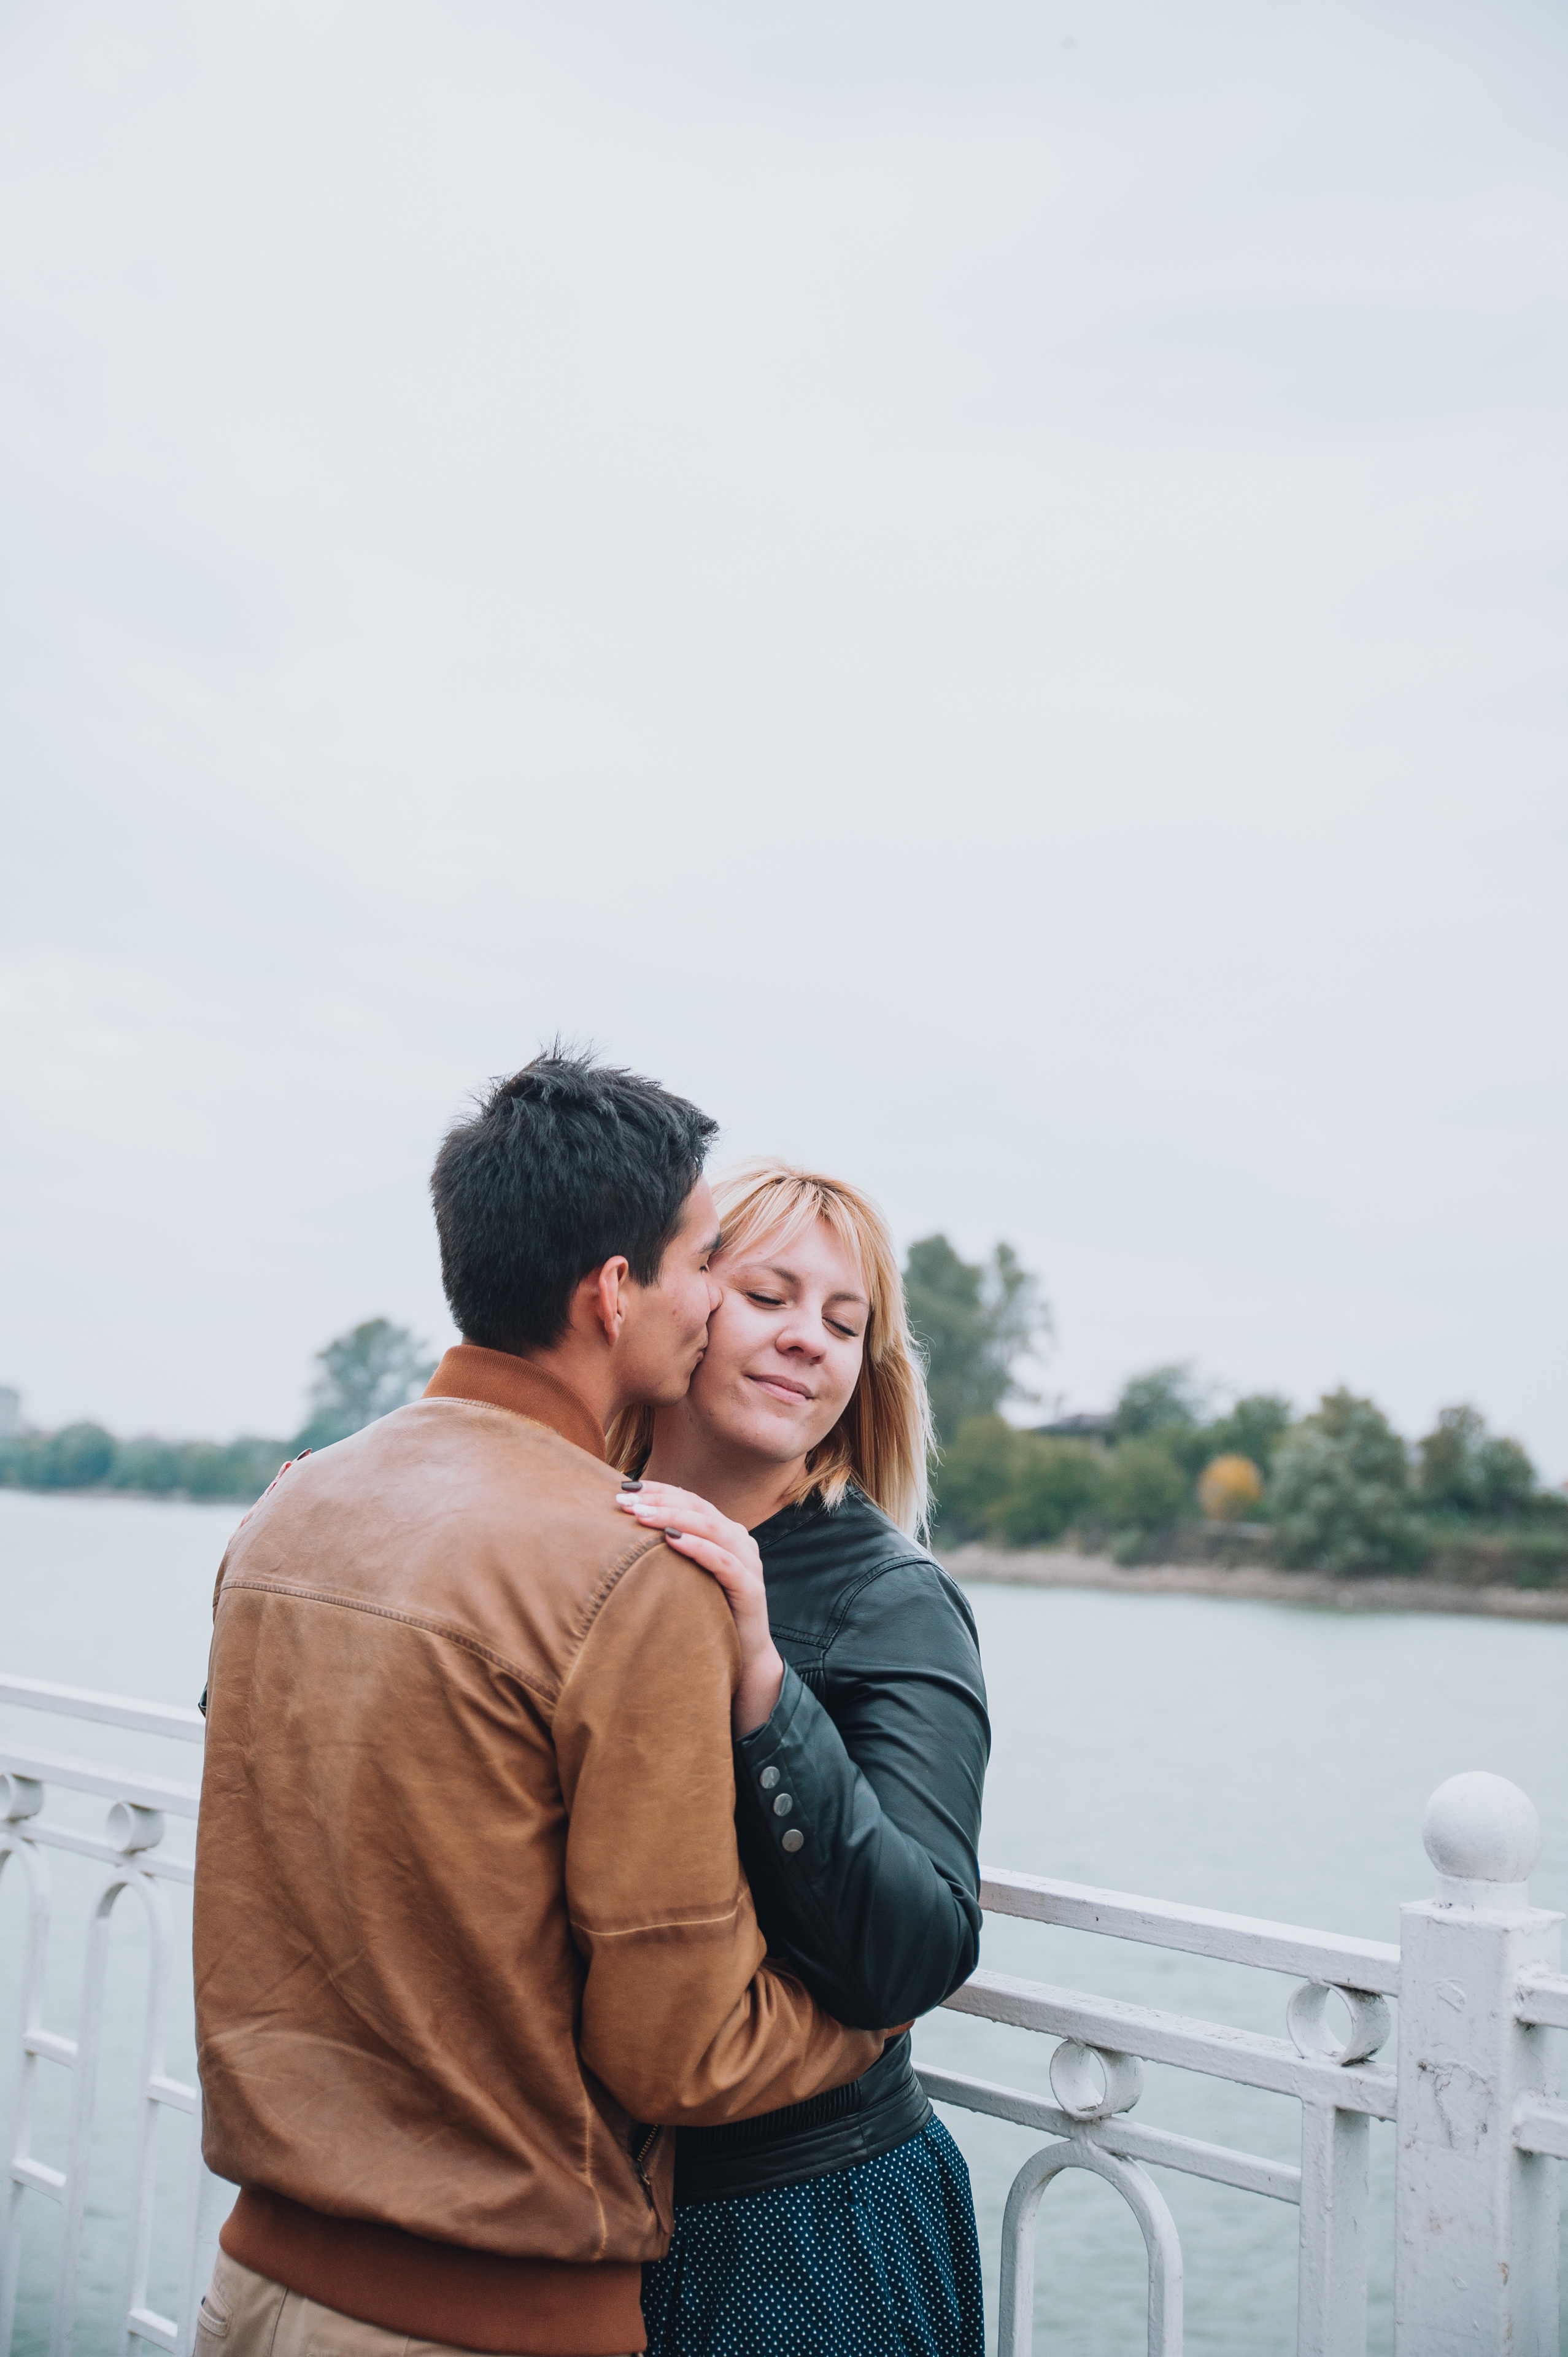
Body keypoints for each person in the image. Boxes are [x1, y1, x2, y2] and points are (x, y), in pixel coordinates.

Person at [192, 1058, 890, 2357]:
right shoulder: (630, 1572)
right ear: (615, 1292)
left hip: (253, 2283)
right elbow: (680, 2054)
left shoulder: (289, 1507)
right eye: (702, 1264)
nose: (711, 1303)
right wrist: (878, 2007)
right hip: (484, 2319)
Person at [608, 1161, 991, 2357]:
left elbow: (918, 1949)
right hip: (562, 2210)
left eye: (843, 1322)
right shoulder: (559, 1524)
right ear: (682, 1300)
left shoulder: (893, 1600)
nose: (807, 1342)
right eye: (771, 1295)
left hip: (800, 2231)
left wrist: (763, 1686)